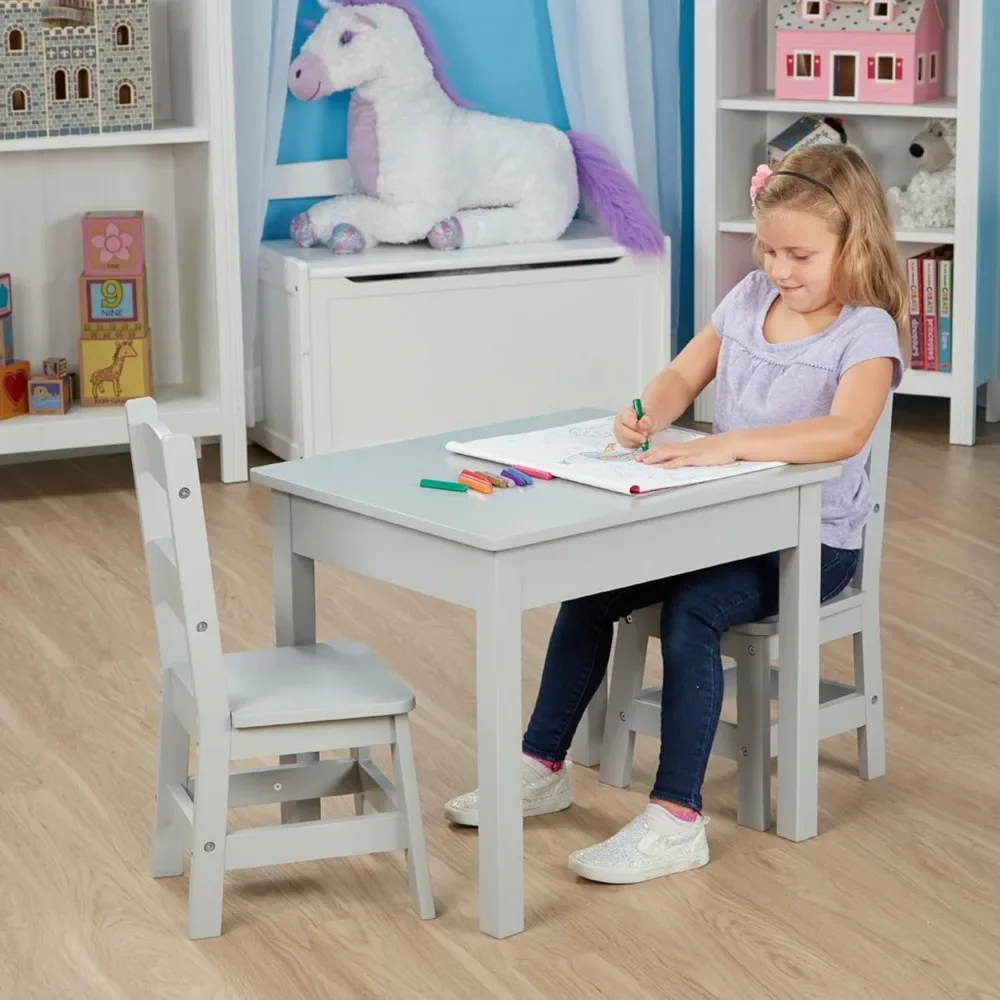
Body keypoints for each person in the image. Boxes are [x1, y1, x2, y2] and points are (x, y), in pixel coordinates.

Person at [443, 143, 907, 884]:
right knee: (592, 591)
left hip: (811, 541)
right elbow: (683, 375)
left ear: (856, 243)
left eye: (802, 255)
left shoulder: (867, 333)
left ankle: (676, 821)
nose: (782, 269)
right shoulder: (751, 299)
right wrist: (645, 413)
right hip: (721, 520)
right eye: (770, 249)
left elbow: (844, 433)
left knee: (694, 612)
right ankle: (540, 765)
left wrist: (728, 449)